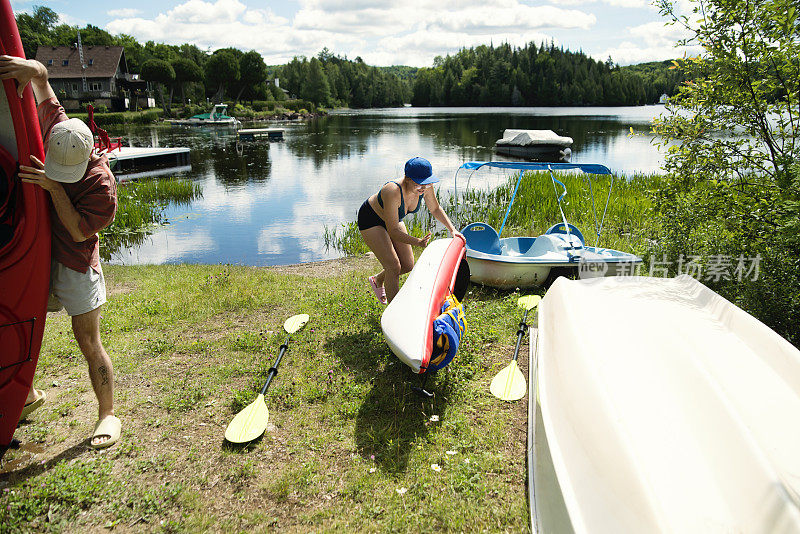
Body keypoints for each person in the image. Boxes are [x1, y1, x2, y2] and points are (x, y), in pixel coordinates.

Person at [0, 55, 120, 449]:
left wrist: (53, 187)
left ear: (88, 158)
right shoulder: (61, 130)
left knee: (87, 339)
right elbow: (44, 84)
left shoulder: (103, 191)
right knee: (20, 324)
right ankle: (26, 394)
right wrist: (33, 67)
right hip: (35, 250)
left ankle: (108, 415)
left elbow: (78, 230)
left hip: (75, 261)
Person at [358, 156, 458, 304]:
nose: (423, 188)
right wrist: (418, 242)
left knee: (407, 265)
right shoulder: (392, 190)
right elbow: (393, 231)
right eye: (419, 184)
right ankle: (393, 313)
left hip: (393, 219)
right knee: (393, 266)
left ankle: (377, 279)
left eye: (427, 183)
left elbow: (435, 208)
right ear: (407, 178)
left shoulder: (425, 187)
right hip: (372, 219)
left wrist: (452, 229)